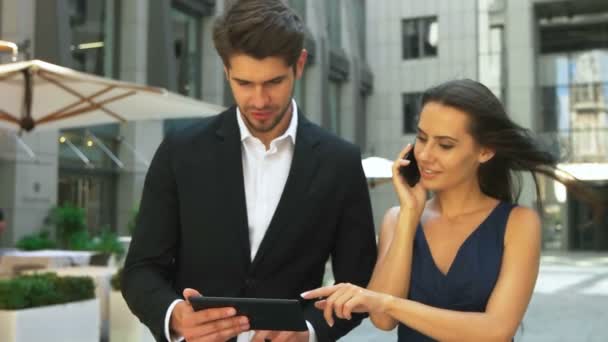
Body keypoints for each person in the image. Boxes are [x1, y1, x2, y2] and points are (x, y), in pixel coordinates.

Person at [121, 1, 377, 341]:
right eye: (243, 83)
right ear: (226, 71)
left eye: (273, 82)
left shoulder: (340, 163)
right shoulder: (179, 151)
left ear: (299, 65)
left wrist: (309, 332)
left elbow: (357, 285)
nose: (259, 100)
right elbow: (140, 270)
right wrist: (175, 316)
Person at [302, 79, 583, 341]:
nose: (424, 155)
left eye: (445, 145)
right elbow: (383, 320)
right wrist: (409, 215)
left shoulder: (519, 223)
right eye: (422, 138)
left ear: (485, 151)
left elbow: (496, 330)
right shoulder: (397, 219)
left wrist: (386, 302)